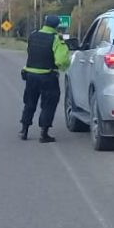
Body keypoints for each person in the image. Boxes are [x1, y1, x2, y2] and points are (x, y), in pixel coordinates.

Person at [20, 15, 70, 143]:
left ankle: (24, 130)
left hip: (30, 75)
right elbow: (62, 60)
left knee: (29, 103)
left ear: (45, 23)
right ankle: (44, 134)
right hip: (47, 76)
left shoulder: (33, 35)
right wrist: (62, 67)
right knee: (48, 104)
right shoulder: (56, 39)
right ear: (56, 26)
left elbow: (29, 51)